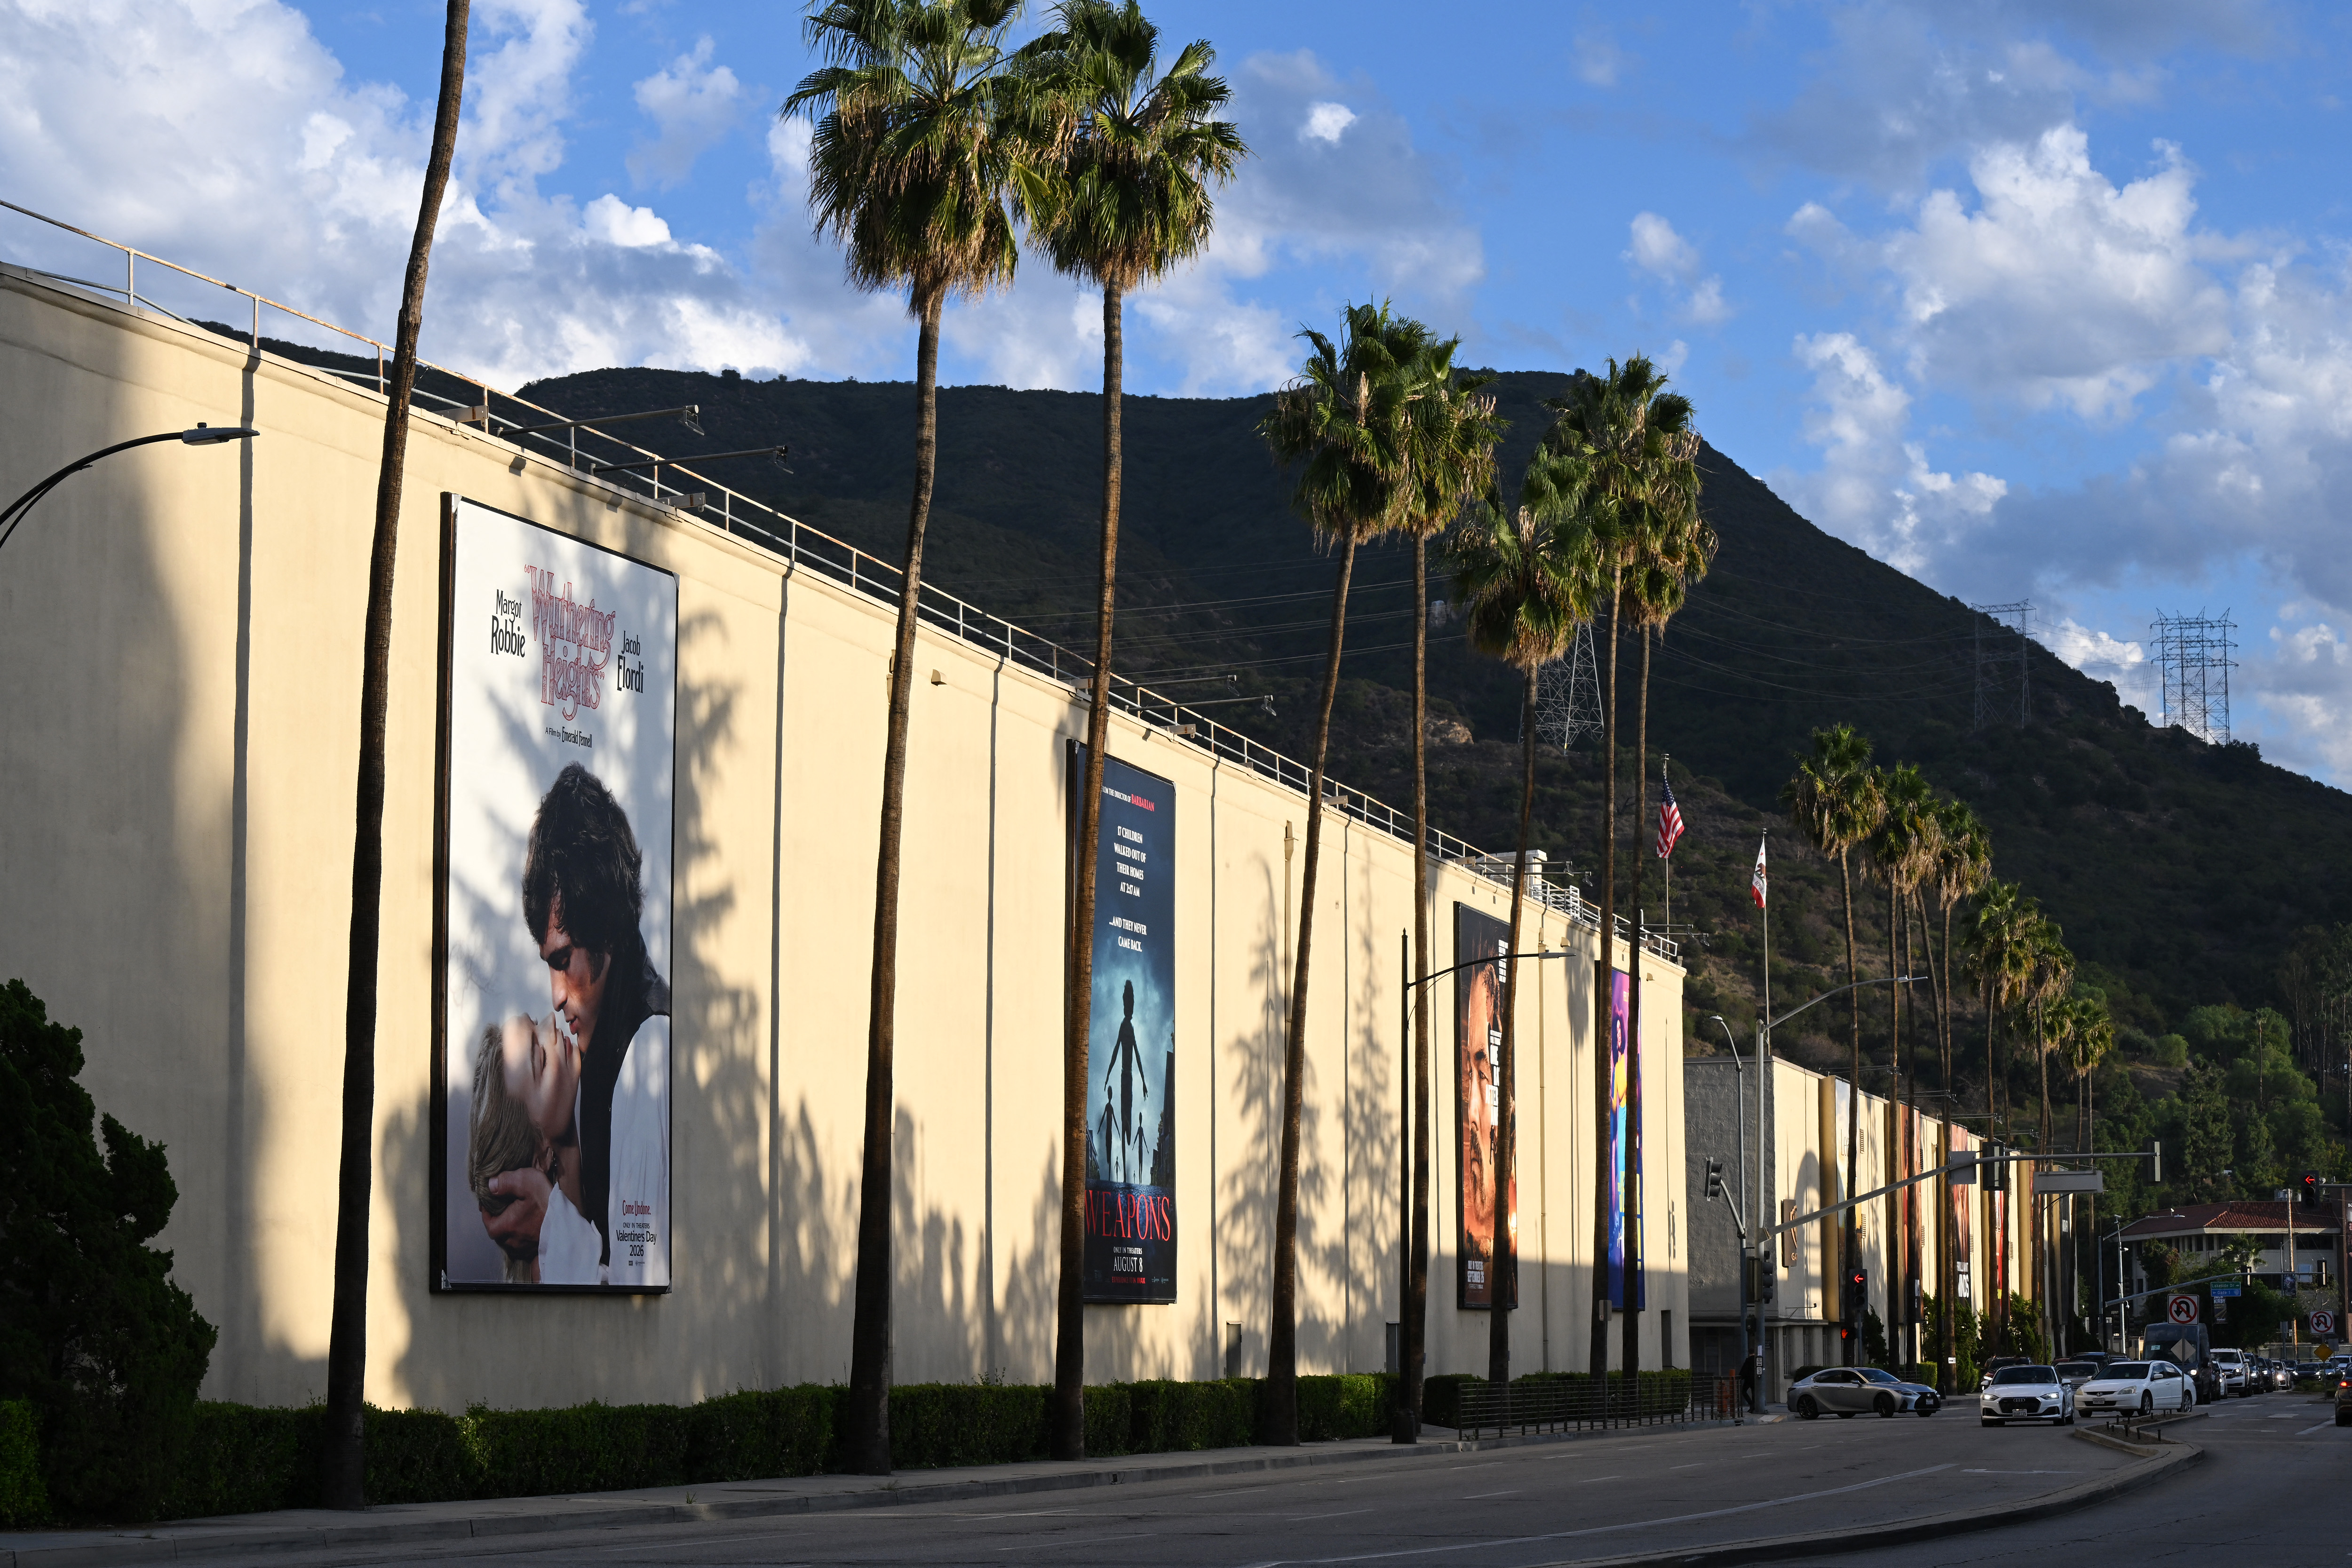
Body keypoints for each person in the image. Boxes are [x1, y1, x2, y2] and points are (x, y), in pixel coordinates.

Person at [484, 764, 670, 1288]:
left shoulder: (648, 1053)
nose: (556, 996)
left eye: (564, 960)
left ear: (605, 929)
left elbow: (638, 1288)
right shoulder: (603, 1053)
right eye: (550, 964)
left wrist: (552, 1224)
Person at [467, 1014, 581, 1283]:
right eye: (541, 1059)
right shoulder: (548, 1275)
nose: (552, 1021)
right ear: (539, 1158)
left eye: (536, 1023)